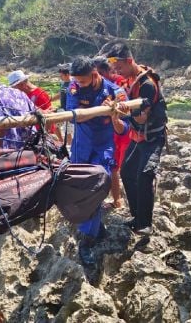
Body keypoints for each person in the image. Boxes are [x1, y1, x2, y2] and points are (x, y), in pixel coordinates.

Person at [99, 40, 167, 236]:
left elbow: (142, 116)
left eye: (119, 67)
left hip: (152, 137)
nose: (117, 71)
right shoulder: (129, 80)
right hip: (136, 136)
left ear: (129, 61)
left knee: (145, 175)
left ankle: (146, 223)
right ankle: (137, 217)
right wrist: (115, 105)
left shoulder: (147, 84)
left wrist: (122, 111)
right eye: (114, 68)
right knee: (127, 172)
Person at [66, 56, 128, 265]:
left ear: (95, 74)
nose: (78, 84)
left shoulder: (114, 91)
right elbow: (75, 115)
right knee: (82, 189)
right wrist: (101, 110)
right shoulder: (73, 88)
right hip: (81, 146)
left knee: (98, 186)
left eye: (82, 81)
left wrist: (115, 114)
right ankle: (97, 229)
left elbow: (123, 127)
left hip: (103, 146)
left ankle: (87, 239)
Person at [93, 56, 128, 209]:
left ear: (108, 71)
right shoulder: (97, 86)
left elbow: (123, 108)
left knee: (118, 167)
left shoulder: (119, 84)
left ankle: (118, 199)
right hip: (108, 131)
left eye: (100, 73)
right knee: (113, 166)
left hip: (121, 129)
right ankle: (116, 198)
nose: (97, 77)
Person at [0, 73, 36, 150]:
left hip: (12, 148)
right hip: (31, 144)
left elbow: (0, 126)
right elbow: (34, 112)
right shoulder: (19, 92)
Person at [8, 69, 56, 134]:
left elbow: (50, 117)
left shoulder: (40, 95)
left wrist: (46, 133)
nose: (14, 90)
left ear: (22, 84)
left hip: (41, 133)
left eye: (15, 88)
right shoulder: (23, 94)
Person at [51, 64, 74, 145]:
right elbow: (60, 94)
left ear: (67, 74)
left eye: (62, 76)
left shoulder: (73, 84)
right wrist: (49, 100)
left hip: (69, 111)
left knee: (68, 131)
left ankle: (71, 149)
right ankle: (61, 143)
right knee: (55, 126)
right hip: (62, 109)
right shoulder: (63, 83)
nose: (60, 77)